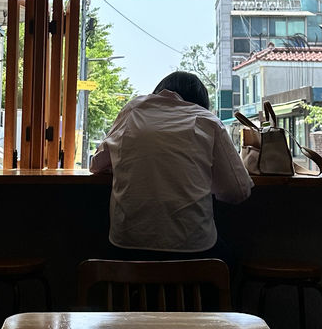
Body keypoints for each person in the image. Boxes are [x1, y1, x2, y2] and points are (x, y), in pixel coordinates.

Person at [90, 71, 253, 266]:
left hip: (126, 249)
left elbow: (96, 164)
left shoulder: (133, 111)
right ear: (200, 101)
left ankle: (138, 297)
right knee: (232, 262)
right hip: (194, 252)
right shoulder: (208, 121)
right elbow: (238, 191)